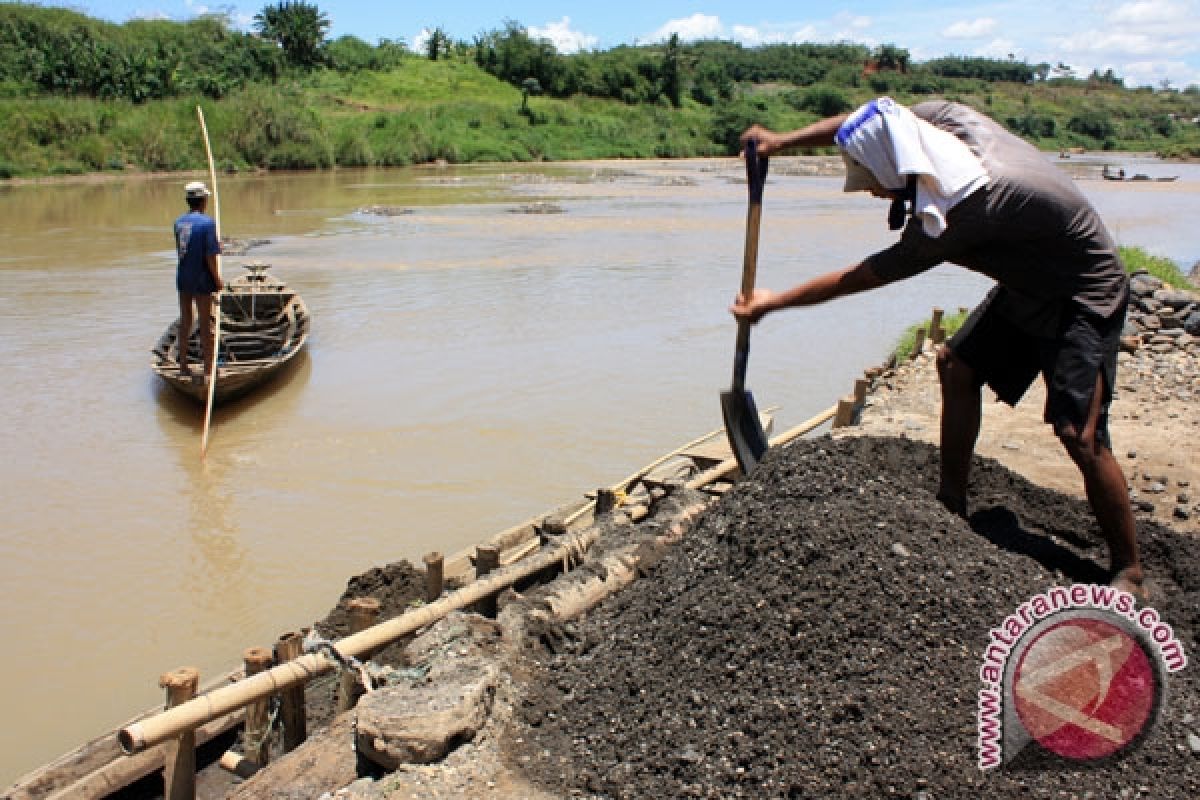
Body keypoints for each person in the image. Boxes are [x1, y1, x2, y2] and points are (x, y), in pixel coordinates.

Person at [733, 97, 1144, 597]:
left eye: (873, 183)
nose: (870, 195)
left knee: (1078, 433)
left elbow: (867, 274)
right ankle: (951, 503)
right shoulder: (941, 121)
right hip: (1029, 280)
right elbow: (864, 121)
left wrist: (775, 301)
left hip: (1083, 288)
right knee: (956, 365)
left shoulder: (963, 208)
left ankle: (1129, 569)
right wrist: (783, 140)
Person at [173, 180, 223, 380]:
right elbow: (210, 257)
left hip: (183, 277)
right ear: (203, 201)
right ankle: (209, 369)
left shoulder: (178, 222)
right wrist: (218, 280)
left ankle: (183, 365)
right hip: (202, 278)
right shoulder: (208, 223)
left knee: (185, 321)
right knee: (205, 324)